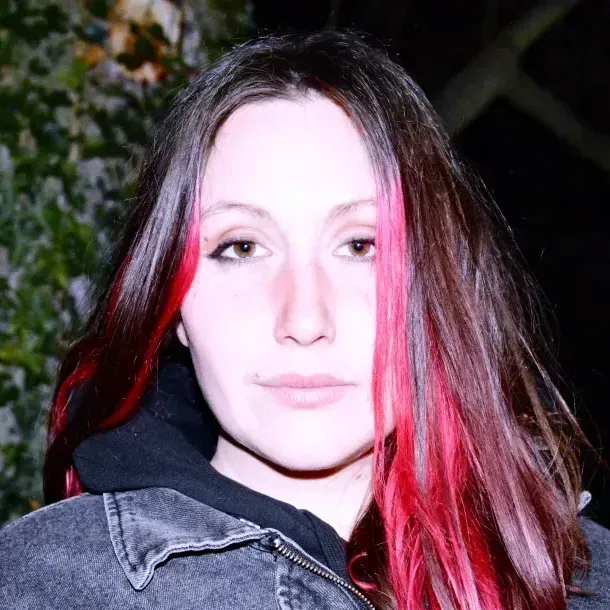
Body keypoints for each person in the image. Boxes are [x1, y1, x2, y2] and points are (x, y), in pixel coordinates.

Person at [0, 29, 608, 610]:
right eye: (241, 247)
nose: (305, 318)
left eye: (361, 245)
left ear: (436, 283)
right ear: (172, 302)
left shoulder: (591, 576)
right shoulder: (44, 584)